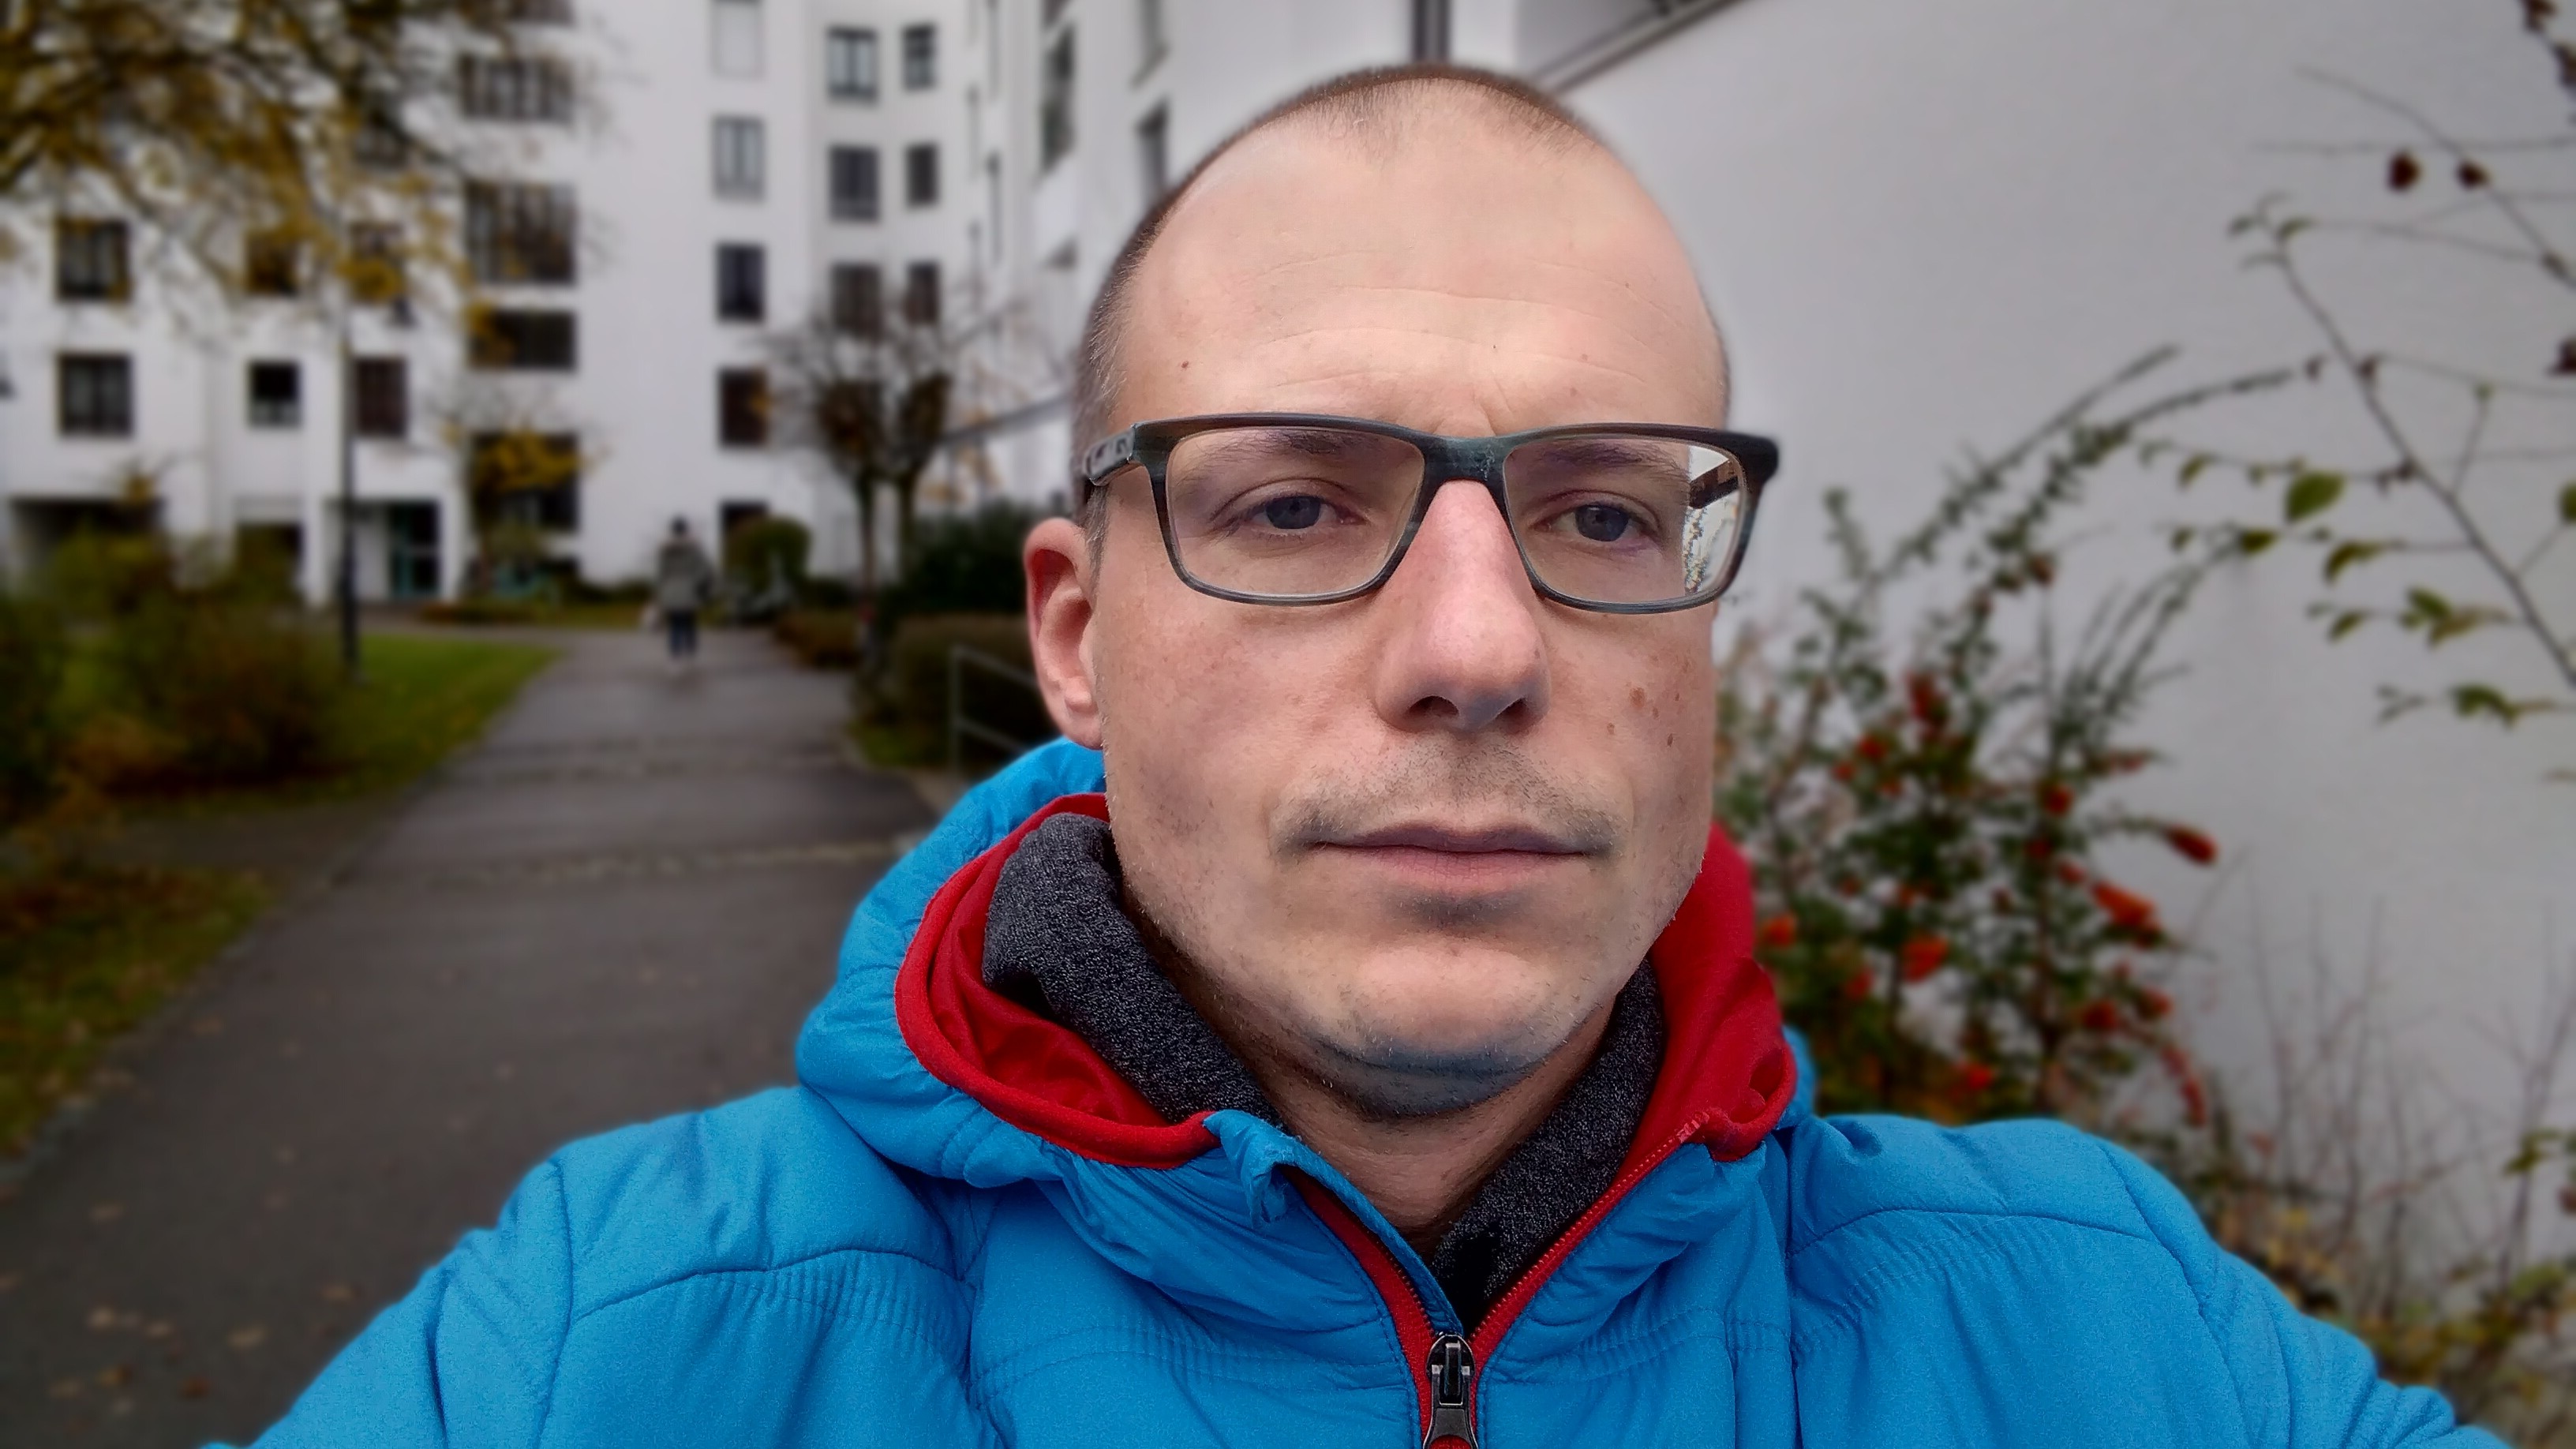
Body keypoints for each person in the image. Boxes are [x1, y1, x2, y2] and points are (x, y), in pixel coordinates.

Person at [237, 67, 2492, 1447]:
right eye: (1299, 502)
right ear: (1076, 633)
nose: (1480, 646)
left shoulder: (2104, 1332)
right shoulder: (617, 1347)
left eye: (1603, 514)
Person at [653, 516, 715, 666]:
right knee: (690, 623)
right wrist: (699, 583)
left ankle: (675, 658)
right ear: (686, 530)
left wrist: (658, 592)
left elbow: (661, 573)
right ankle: (691, 653)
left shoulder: (665, 550)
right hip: (690, 590)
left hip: (670, 590)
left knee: (675, 625)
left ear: (672, 531)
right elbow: (704, 569)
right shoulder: (695, 548)